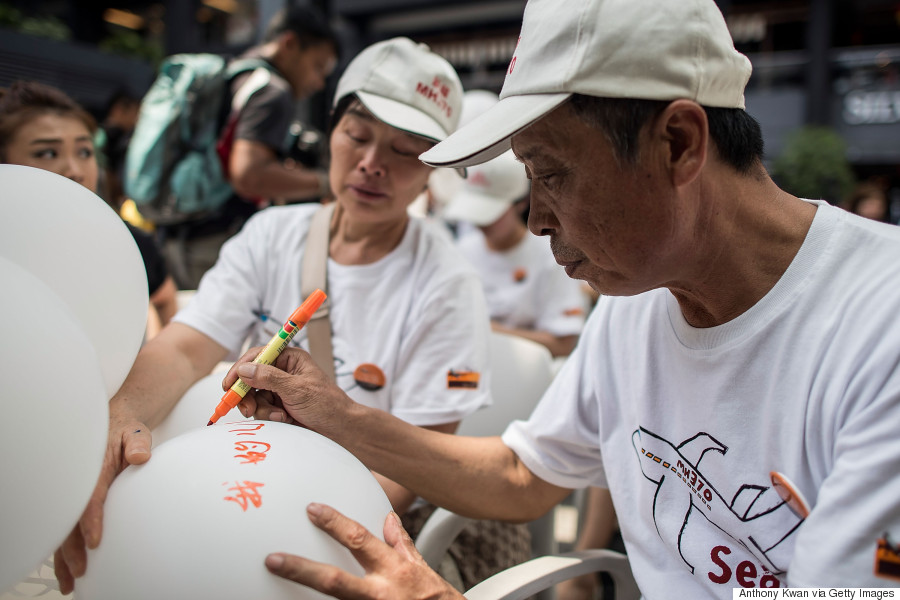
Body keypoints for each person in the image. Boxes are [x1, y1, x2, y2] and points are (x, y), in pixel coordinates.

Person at [208, 0, 898, 596]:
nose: (536, 218)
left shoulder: (878, 327)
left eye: (553, 174)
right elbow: (521, 475)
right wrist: (336, 415)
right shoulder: (633, 302)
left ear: (680, 143)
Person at [55, 37, 536, 595]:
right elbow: (187, 346)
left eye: (405, 150)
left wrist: (282, 514)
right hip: (242, 480)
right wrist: (121, 416)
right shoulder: (271, 234)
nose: (372, 164)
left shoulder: (447, 285)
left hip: (359, 506)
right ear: (329, 132)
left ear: (434, 168)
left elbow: (412, 463)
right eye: (357, 136)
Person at [151, 4, 340, 289]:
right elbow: (248, 175)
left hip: (176, 235)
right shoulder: (273, 92)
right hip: (214, 244)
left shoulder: (236, 74)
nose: (318, 82)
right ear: (289, 44)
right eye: (318, 67)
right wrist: (326, 182)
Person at [0, 79, 178, 339]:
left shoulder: (128, 242)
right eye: (48, 153)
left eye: (84, 152)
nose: (74, 170)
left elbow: (164, 299)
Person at [442, 148, 587, 357]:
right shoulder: (463, 251)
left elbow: (563, 342)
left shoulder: (551, 257)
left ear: (521, 204)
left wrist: (489, 331)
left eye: (491, 214)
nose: (481, 223)